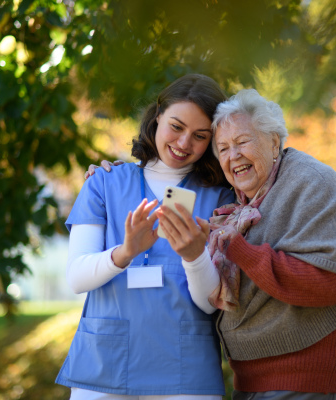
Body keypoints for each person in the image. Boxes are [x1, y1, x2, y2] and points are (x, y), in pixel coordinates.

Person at [157, 89, 336, 400]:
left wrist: (238, 248)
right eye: (222, 148)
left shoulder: (311, 182)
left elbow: (332, 284)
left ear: (275, 141)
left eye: (242, 142)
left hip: (304, 376)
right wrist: (116, 171)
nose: (232, 156)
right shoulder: (240, 201)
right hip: (252, 379)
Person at [56, 74, 236, 400]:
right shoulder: (104, 182)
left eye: (200, 135)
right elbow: (76, 278)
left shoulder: (220, 199)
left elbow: (211, 304)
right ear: (156, 118)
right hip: (104, 364)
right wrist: (124, 252)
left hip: (185, 366)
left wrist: (195, 255)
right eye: (177, 127)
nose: (184, 144)